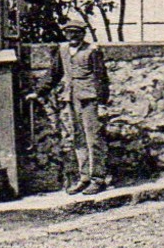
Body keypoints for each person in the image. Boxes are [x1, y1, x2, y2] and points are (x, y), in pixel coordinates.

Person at [39, 17, 110, 195]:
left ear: (82, 34)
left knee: (93, 138)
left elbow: (101, 78)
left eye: (76, 33)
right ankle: (84, 177)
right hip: (72, 98)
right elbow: (53, 74)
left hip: (90, 99)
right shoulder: (63, 50)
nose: (72, 36)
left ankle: (98, 178)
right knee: (78, 138)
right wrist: (39, 91)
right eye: (69, 33)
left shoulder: (92, 51)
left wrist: (102, 103)